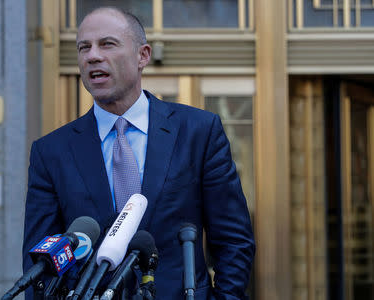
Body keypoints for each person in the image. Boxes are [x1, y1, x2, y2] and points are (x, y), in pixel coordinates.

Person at [23, 6, 255, 300]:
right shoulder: (51, 151)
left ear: (142, 55)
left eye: (107, 44)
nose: (92, 55)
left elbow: (234, 240)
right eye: (84, 47)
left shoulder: (199, 131)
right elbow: (40, 266)